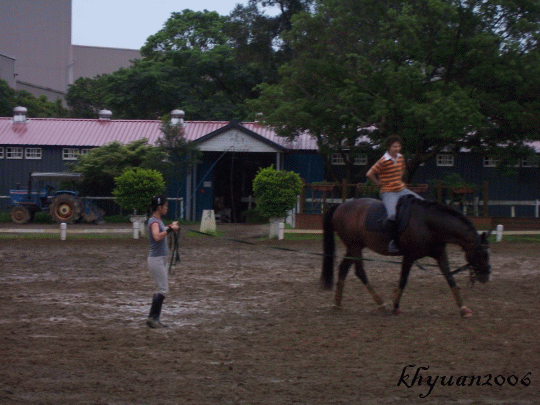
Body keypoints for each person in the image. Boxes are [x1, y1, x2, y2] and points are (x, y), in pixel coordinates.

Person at [366, 135, 422, 253]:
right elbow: (369, 173)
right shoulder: (383, 160)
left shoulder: (401, 158)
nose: (397, 148)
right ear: (388, 147)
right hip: (388, 192)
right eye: (394, 146)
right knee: (392, 215)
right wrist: (378, 183)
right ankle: (392, 241)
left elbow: (402, 168)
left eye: (398, 146)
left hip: (402, 190)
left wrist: (399, 179)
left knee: (422, 203)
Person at [146, 195, 179, 328]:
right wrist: (170, 229)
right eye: (165, 206)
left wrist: (170, 227)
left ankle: (153, 318)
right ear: (159, 208)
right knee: (163, 288)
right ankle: (153, 318)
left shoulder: (157, 220)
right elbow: (156, 236)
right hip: (157, 259)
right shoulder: (154, 222)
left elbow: (161, 231)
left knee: (162, 288)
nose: (166, 208)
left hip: (160, 259)